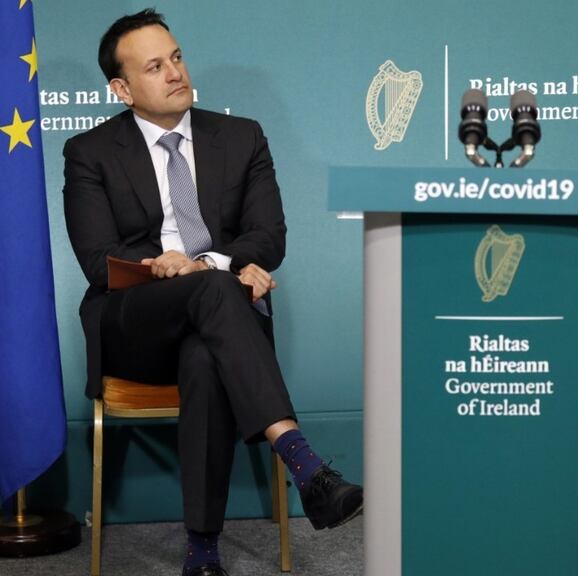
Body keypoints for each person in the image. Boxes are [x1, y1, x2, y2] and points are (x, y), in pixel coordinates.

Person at [63, 9, 362, 576]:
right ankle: (304, 462)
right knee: (216, 291)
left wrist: (207, 263)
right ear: (122, 89)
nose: (175, 72)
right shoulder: (90, 151)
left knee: (205, 351)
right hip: (134, 322)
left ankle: (202, 553)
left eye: (176, 56)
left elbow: (267, 235)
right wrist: (161, 267)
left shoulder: (242, 136)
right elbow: (96, 261)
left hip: (218, 321)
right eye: (155, 66)